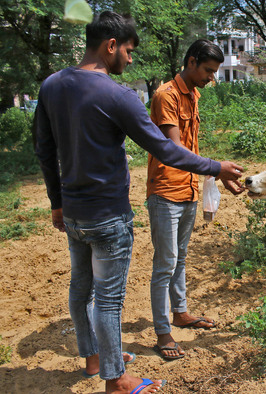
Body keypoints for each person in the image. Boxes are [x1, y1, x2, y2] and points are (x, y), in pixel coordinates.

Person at [33, 11, 243, 394]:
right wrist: (217, 167)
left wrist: (56, 203)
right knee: (109, 299)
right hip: (109, 215)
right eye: (128, 51)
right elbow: (166, 149)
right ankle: (116, 380)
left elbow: (45, 150)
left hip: (75, 213)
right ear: (110, 45)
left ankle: (94, 359)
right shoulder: (117, 95)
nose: (130, 59)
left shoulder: (51, 86)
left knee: (82, 289)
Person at [147, 39, 238, 361]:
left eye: (214, 73)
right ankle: (162, 332)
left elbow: (191, 149)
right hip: (165, 192)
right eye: (208, 71)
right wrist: (217, 168)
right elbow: (173, 151)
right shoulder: (165, 96)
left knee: (180, 258)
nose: (211, 78)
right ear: (191, 61)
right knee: (165, 264)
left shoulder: (193, 94)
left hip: (188, 189)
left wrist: (215, 175)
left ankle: (181, 312)